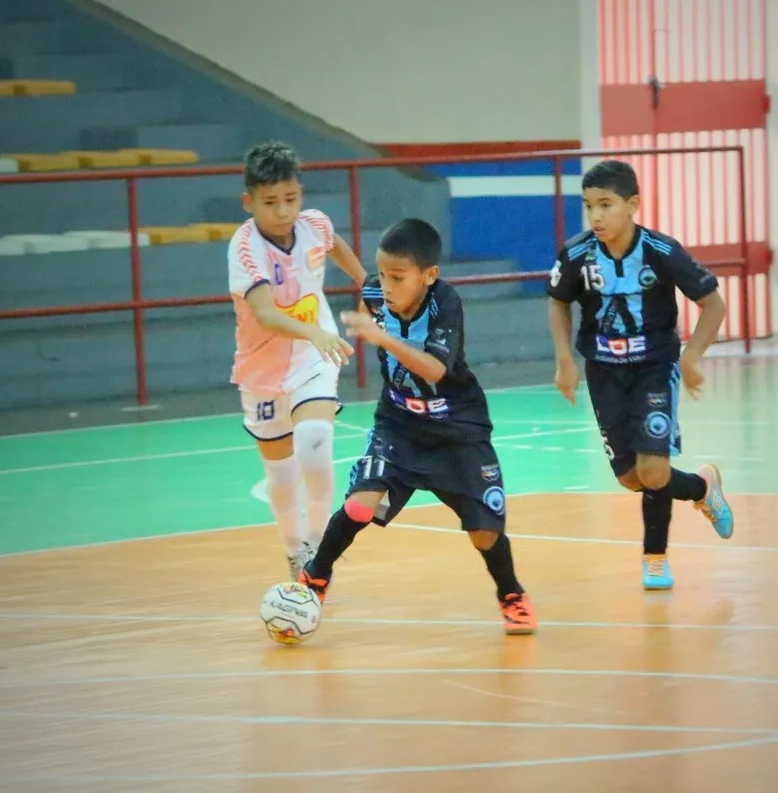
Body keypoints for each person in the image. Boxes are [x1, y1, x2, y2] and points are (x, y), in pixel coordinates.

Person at [297, 218, 537, 635]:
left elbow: (434, 367)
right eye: (383, 276)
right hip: (399, 424)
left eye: (397, 278)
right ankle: (315, 576)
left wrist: (383, 338)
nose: (387, 287)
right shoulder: (377, 294)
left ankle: (511, 593)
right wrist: (320, 238)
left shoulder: (446, 303)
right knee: (359, 504)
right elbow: (356, 271)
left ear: (429, 276)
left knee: (483, 531)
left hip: (458, 428)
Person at [547, 159, 735, 590]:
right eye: (588, 205)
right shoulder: (577, 255)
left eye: (606, 205)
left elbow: (714, 304)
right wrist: (564, 360)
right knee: (631, 477)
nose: (596, 215)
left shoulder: (661, 251)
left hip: (654, 368)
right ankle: (703, 488)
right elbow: (558, 301)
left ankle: (655, 558)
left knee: (653, 469)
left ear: (632, 205)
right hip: (604, 373)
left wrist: (692, 357)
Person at [227, 141, 366, 579]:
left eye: (291, 199)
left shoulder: (314, 226)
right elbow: (265, 312)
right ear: (249, 202)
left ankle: (320, 549)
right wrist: (313, 329)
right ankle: (293, 549)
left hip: (314, 357)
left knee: (314, 442)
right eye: (271, 203)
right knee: (281, 471)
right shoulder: (245, 248)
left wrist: (370, 285)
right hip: (263, 368)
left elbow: (335, 244)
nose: (284, 211)